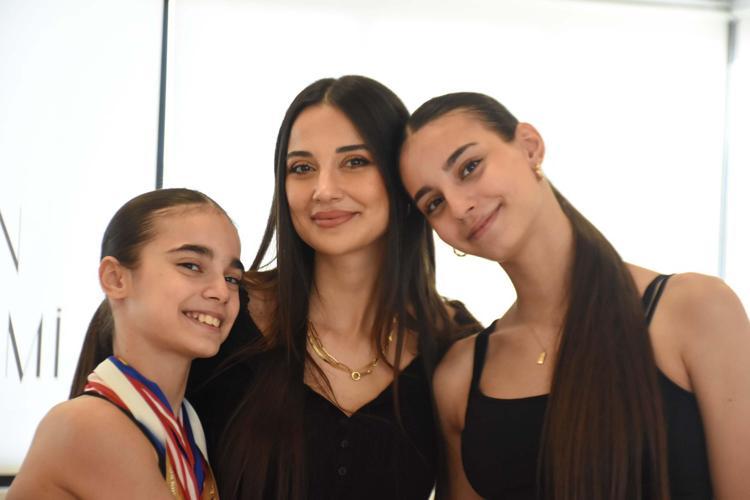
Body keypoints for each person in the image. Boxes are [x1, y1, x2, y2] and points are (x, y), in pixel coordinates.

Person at [398, 92, 750, 500]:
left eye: (469, 167)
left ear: (530, 146)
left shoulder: (696, 310)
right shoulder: (459, 379)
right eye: (434, 203)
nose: (459, 207)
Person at [187, 76, 480, 500]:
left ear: (401, 176)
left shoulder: (452, 342)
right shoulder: (220, 310)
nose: (323, 191)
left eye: (355, 161)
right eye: (302, 168)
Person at [8, 188, 244, 500]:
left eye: (231, 278)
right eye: (191, 266)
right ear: (115, 278)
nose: (221, 292)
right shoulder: (88, 425)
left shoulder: (188, 426)